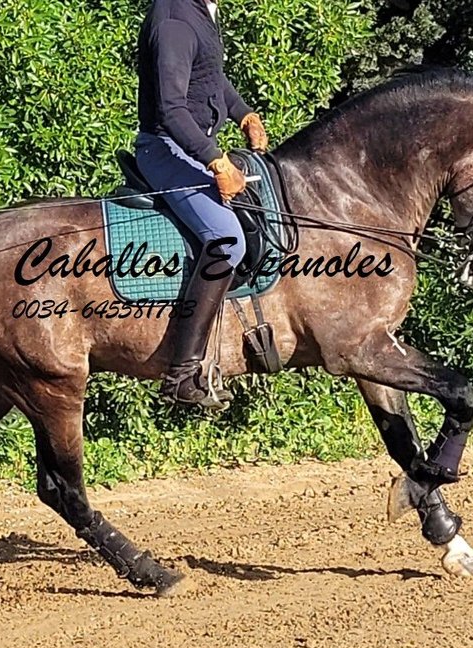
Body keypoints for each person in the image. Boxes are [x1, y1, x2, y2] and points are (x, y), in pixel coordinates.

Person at [134, 0, 269, 409]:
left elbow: (209, 78)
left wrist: (243, 114)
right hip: (166, 150)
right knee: (228, 240)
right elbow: (172, 110)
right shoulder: (175, 19)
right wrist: (216, 160)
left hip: (190, 147)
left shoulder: (201, 9)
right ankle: (182, 374)